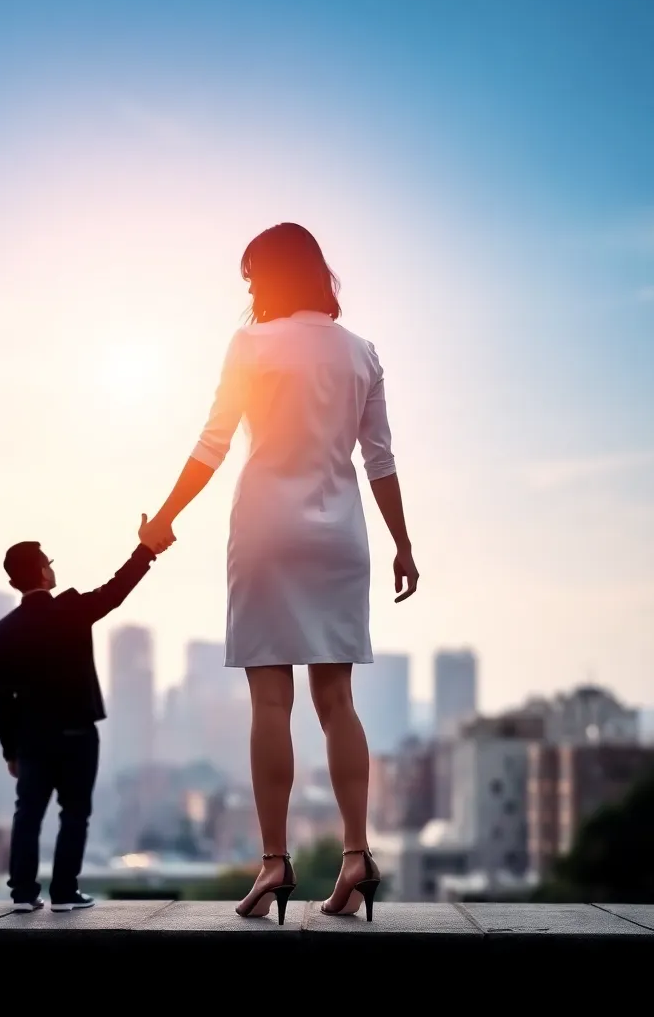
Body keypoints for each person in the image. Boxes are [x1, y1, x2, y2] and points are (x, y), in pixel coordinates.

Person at [142, 223, 419, 924]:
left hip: (265, 529)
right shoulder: (362, 353)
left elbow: (212, 442)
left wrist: (165, 517)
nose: (249, 292)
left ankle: (274, 865)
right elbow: (378, 460)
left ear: (269, 276)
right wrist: (403, 546)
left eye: (251, 279)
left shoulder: (251, 345)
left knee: (272, 703)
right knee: (338, 701)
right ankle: (356, 854)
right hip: (340, 537)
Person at [0, 517, 173, 912]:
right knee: (75, 813)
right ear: (42, 571)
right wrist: (146, 550)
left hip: (31, 738)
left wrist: (10, 751)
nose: (52, 567)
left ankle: (22, 893)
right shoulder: (70, 609)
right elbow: (115, 591)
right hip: (77, 733)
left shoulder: (2, 633)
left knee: (29, 814)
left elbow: (1, 699)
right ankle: (64, 893)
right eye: (48, 562)